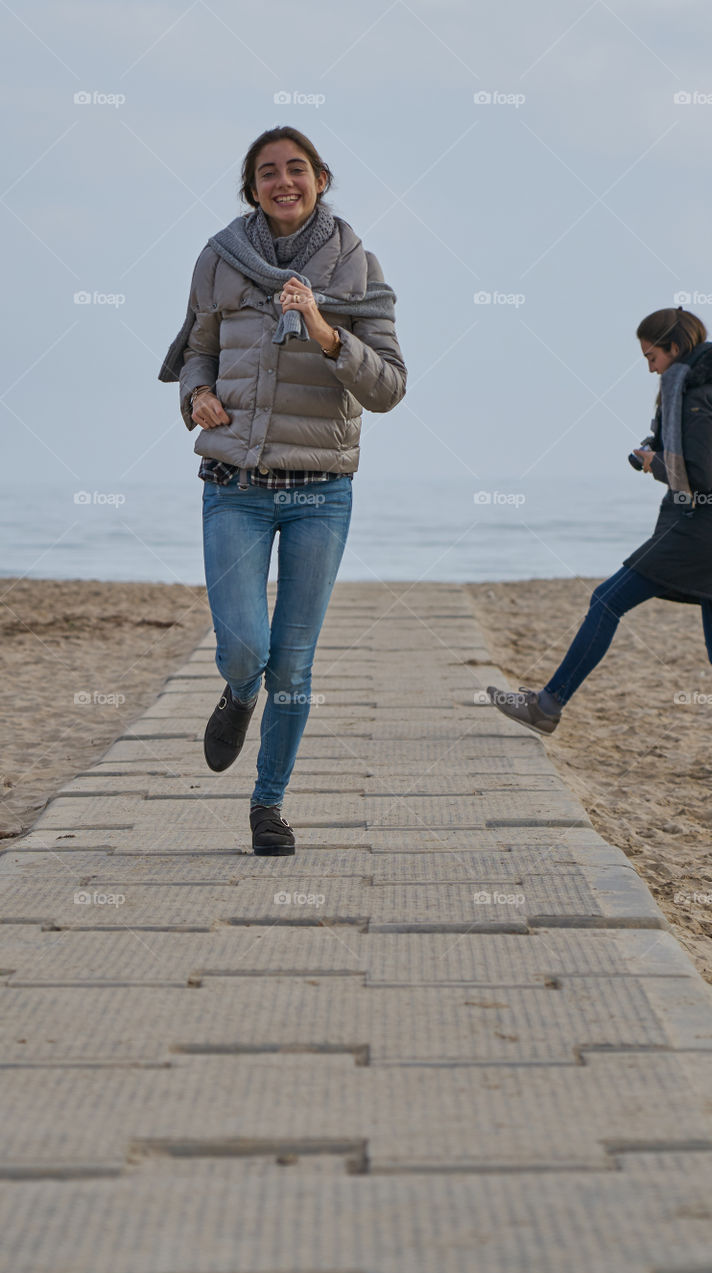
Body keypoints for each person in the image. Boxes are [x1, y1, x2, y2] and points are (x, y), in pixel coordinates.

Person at [160, 126, 406, 852]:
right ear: (252, 187)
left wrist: (323, 329)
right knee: (245, 649)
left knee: (294, 664)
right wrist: (197, 395)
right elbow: (197, 350)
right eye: (267, 172)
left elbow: (389, 387)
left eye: (296, 169)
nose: (282, 181)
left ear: (321, 179)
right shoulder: (219, 259)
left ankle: (267, 806)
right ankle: (238, 692)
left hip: (319, 492)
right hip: (232, 485)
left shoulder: (358, 268)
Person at [487, 307, 712, 782]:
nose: (650, 368)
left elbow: (697, 478)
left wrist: (653, 462)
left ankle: (547, 706)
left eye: (652, 356)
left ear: (676, 348)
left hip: (701, 533)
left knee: (606, 600)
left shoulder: (700, 397)